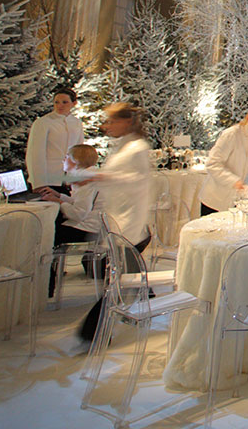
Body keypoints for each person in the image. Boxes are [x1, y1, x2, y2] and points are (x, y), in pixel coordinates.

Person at [76, 102, 154, 342]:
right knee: (121, 279)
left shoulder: (137, 148)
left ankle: (93, 331)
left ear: (126, 122)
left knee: (119, 280)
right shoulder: (122, 147)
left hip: (129, 223)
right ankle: (97, 330)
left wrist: (101, 177)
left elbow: (139, 180)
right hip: (118, 221)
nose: (106, 126)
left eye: (111, 121)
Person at [38, 144, 100, 296]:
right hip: (96, 225)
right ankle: (47, 284)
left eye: (66, 157)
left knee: (44, 235)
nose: (64, 160)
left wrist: (59, 203)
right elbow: (81, 203)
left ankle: (47, 286)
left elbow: (78, 214)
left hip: (89, 229)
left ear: (75, 161)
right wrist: (60, 197)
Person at [201, 105, 248, 215]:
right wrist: (234, 181)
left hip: (233, 199)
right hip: (214, 198)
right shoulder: (231, 134)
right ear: (247, 118)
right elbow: (212, 164)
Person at [24, 88, 84, 189]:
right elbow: (35, 154)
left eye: (65, 102)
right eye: (57, 102)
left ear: (74, 103)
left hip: (69, 179)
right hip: (49, 177)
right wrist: (38, 183)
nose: (60, 105)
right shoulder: (43, 122)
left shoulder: (77, 123)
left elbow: (79, 150)